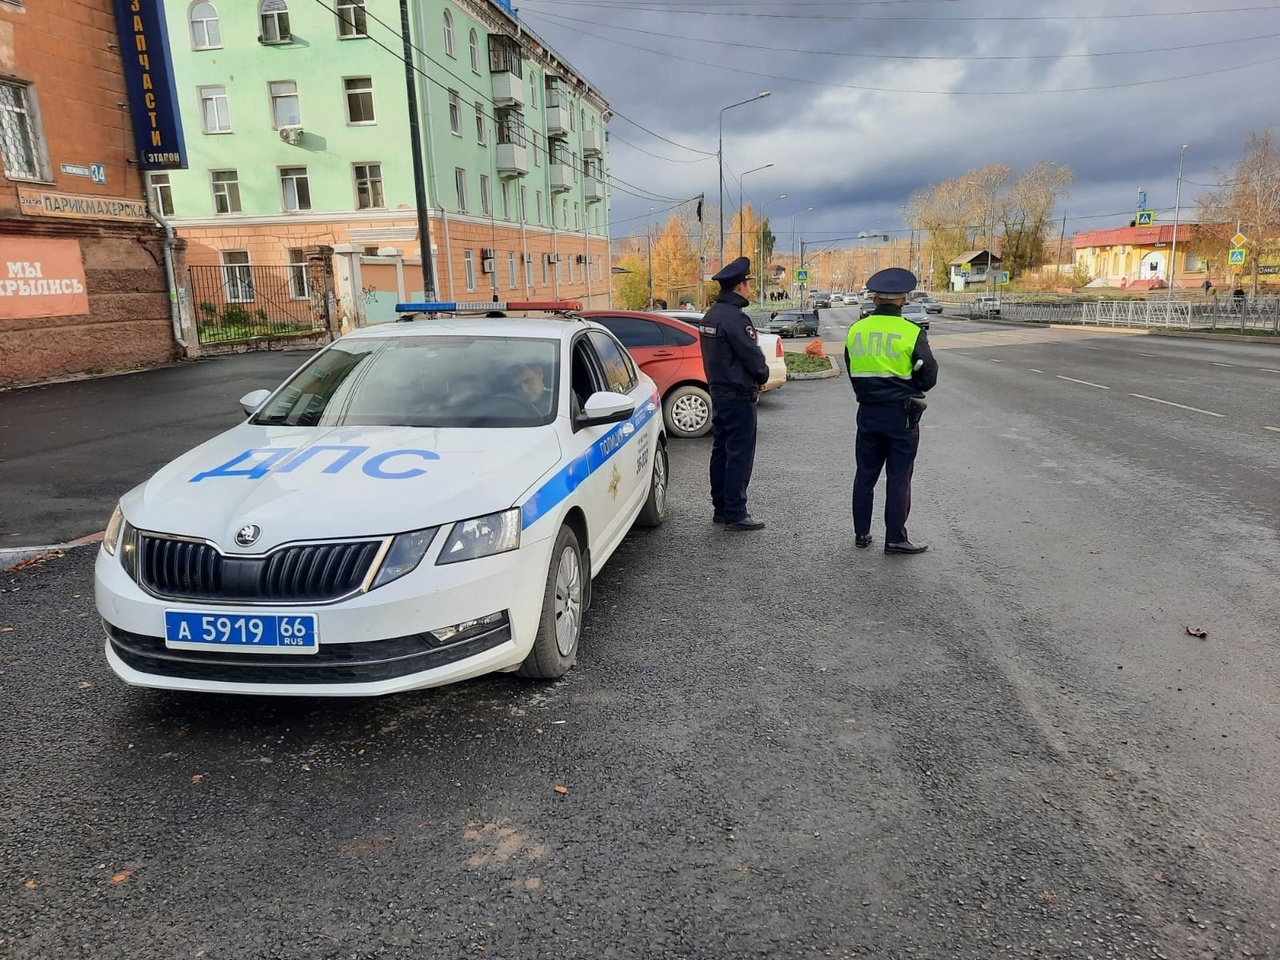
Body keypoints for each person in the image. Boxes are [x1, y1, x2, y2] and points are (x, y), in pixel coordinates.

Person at [845, 267, 939, 555]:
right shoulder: (911, 333)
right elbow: (929, 377)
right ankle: (895, 537)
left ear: (874, 299)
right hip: (902, 415)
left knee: (865, 474)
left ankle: (862, 533)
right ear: (903, 301)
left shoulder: (855, 331)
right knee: (899, 476)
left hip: (868, 413)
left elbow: (852, 370)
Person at [694, 256, 770, 531]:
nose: (750, 288)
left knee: (722, 452)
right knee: (739, 454)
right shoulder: (735, 319)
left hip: (719, 390)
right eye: (748, 283)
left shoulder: (711, 316)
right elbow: (751, 355)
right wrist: (762, 376)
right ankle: (736, 513)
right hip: (739, 395)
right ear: (739, 286)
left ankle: (721, 509)